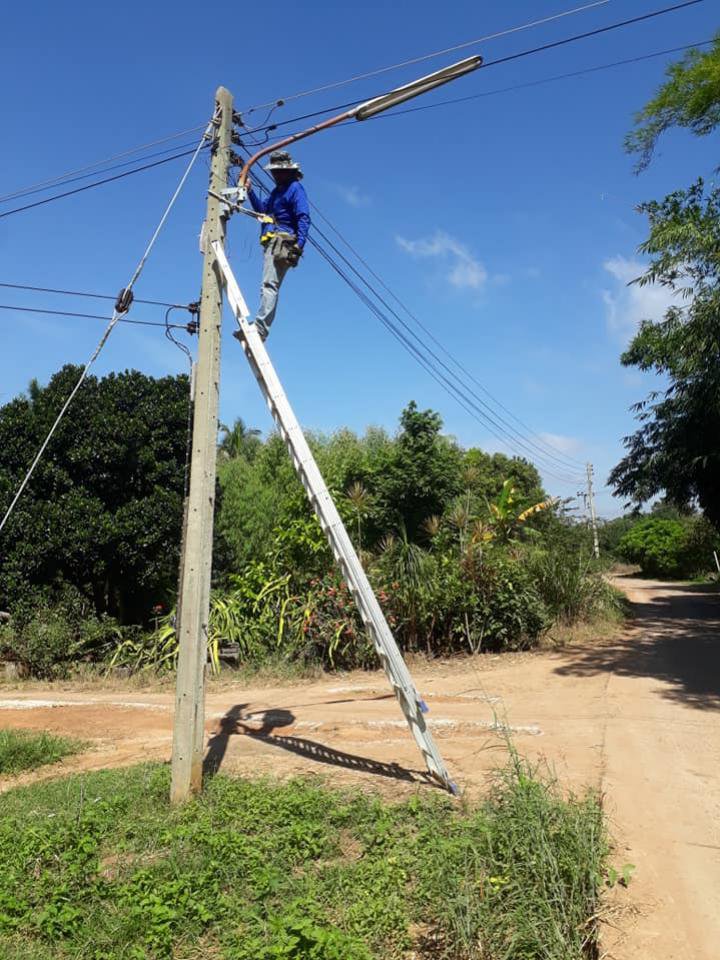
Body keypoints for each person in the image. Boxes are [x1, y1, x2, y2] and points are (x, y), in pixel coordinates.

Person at [245, 150, 310, 341]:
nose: (274, 175)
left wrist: (299, 245)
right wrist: (249, 191)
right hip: (273, 240)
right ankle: (260, 327)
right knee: (267, 285)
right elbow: (262, 210)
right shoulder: (277, 192)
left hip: (283, 241)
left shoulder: (295, 188)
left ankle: (260, 328)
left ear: (287, 171)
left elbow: (303, 217)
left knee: (269, 285)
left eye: (277, 171)